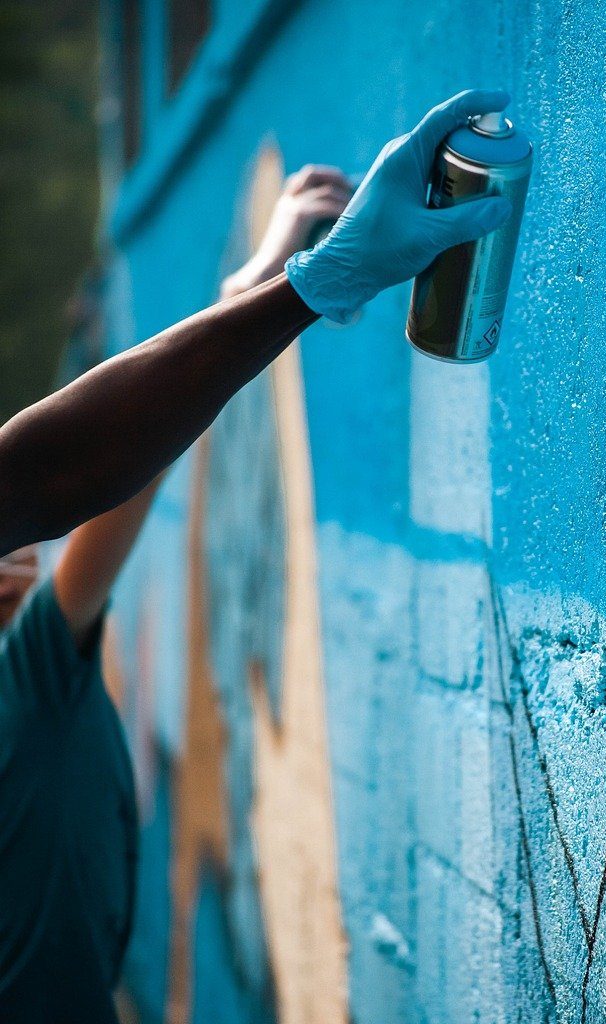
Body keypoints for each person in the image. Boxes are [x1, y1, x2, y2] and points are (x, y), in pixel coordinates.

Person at [0, 89, 513, 1024]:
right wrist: (292, 285)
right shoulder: (22, 671)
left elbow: (59, 477)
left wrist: (272, 286)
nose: (29, 556)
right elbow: (76, 479)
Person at [0, 89, 512, 559]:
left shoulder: (35, 651)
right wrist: (316, 281)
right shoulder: (36, 646)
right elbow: (57, 477)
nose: (18, 572)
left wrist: (264, 286)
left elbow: (87, 473)